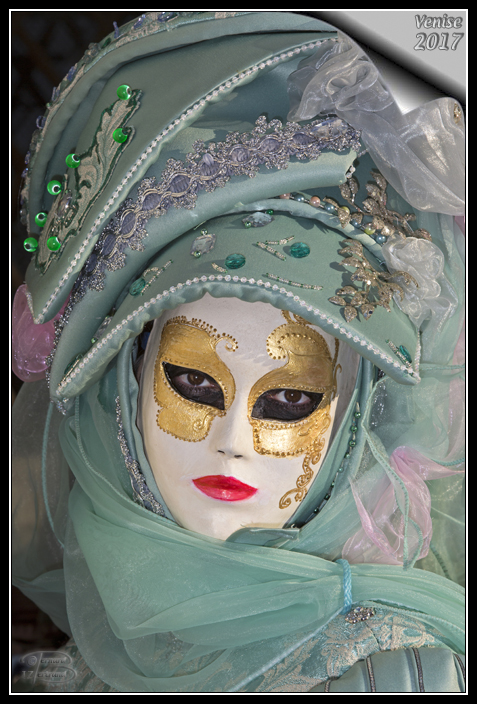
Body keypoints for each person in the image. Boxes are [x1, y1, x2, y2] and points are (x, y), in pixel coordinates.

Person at [12, 12, 465, 692]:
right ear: (125, 387)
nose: (232, 441)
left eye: (290, 398)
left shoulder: (396, 671)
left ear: (353, 420)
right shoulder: (83, 669)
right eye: (193, 382)